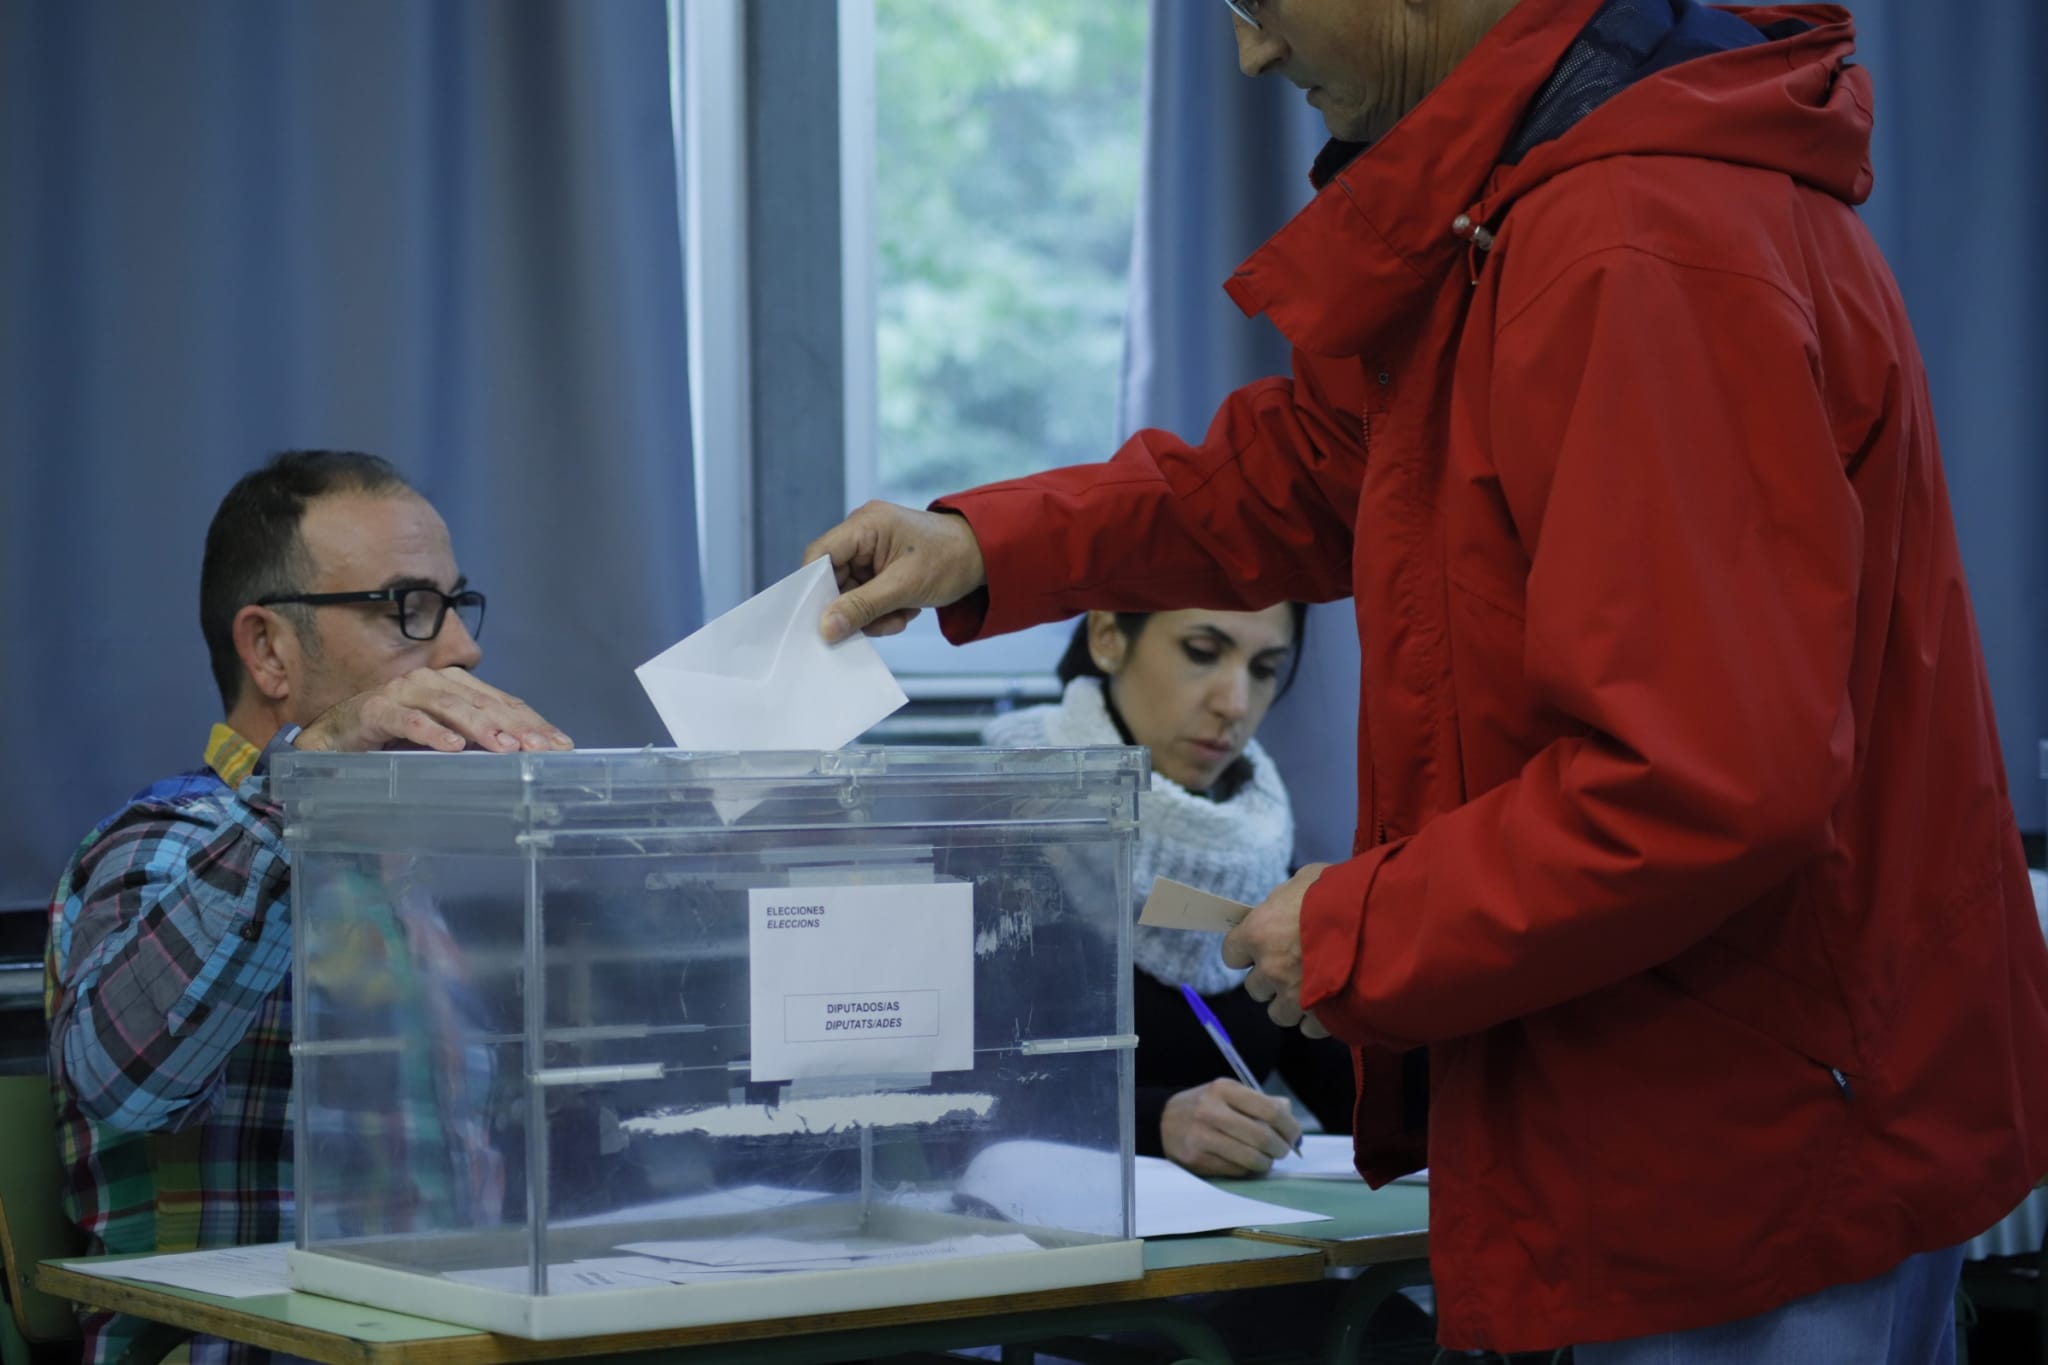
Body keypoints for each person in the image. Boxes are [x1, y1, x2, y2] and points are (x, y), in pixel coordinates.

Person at [803, 0, 2048, 1359]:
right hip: (1700, 1111)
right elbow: (1308, 468)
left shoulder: (1636, 245)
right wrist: (984, 540)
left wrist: (1355, 929)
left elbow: (1703, 779)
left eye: (1261, 2)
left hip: (1739, 1148)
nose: (1254, 53)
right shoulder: (1536, 211)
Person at [45, 451, 571, 1365]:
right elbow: (114, 1080)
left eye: (456, 603)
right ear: (269, 650)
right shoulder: (164, 839)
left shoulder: (404, 876)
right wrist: (304, 782)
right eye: (408, 607)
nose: (462, 649)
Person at [984, 607, 1355, 1176]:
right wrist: (1154, 1122)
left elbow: (1345, 1083)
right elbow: (952, 1099)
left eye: (1263, 669)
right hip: (1044, 1249)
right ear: (1108, 636)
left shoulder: (1253, 835)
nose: (1234, 703)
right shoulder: (998, 819)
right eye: (1202, 653)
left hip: (1250, 1254)